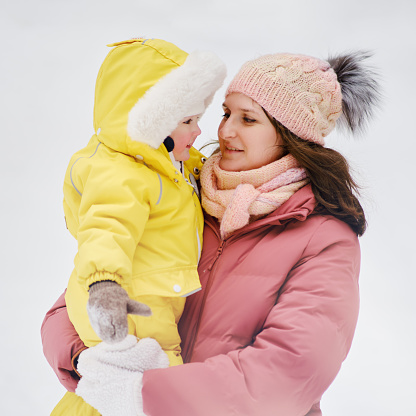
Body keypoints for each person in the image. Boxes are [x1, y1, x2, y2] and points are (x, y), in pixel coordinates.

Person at [41, 49, 380, 416]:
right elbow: (76, 299)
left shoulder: (323, 238)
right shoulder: (185, 194)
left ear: (292, 135)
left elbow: (288, 371)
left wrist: (143, 393)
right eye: (225, 113)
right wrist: (87, 364)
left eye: (248, 119)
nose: (224, 130)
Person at [47, 37, 226, 414]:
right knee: (137, 388)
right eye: (188, 121)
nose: (198, 132)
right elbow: (105, 229)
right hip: (127, 306)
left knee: (128, 391)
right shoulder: (121, 174)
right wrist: (105, 284)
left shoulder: (168, 165)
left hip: (151, 299)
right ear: (151, 122)